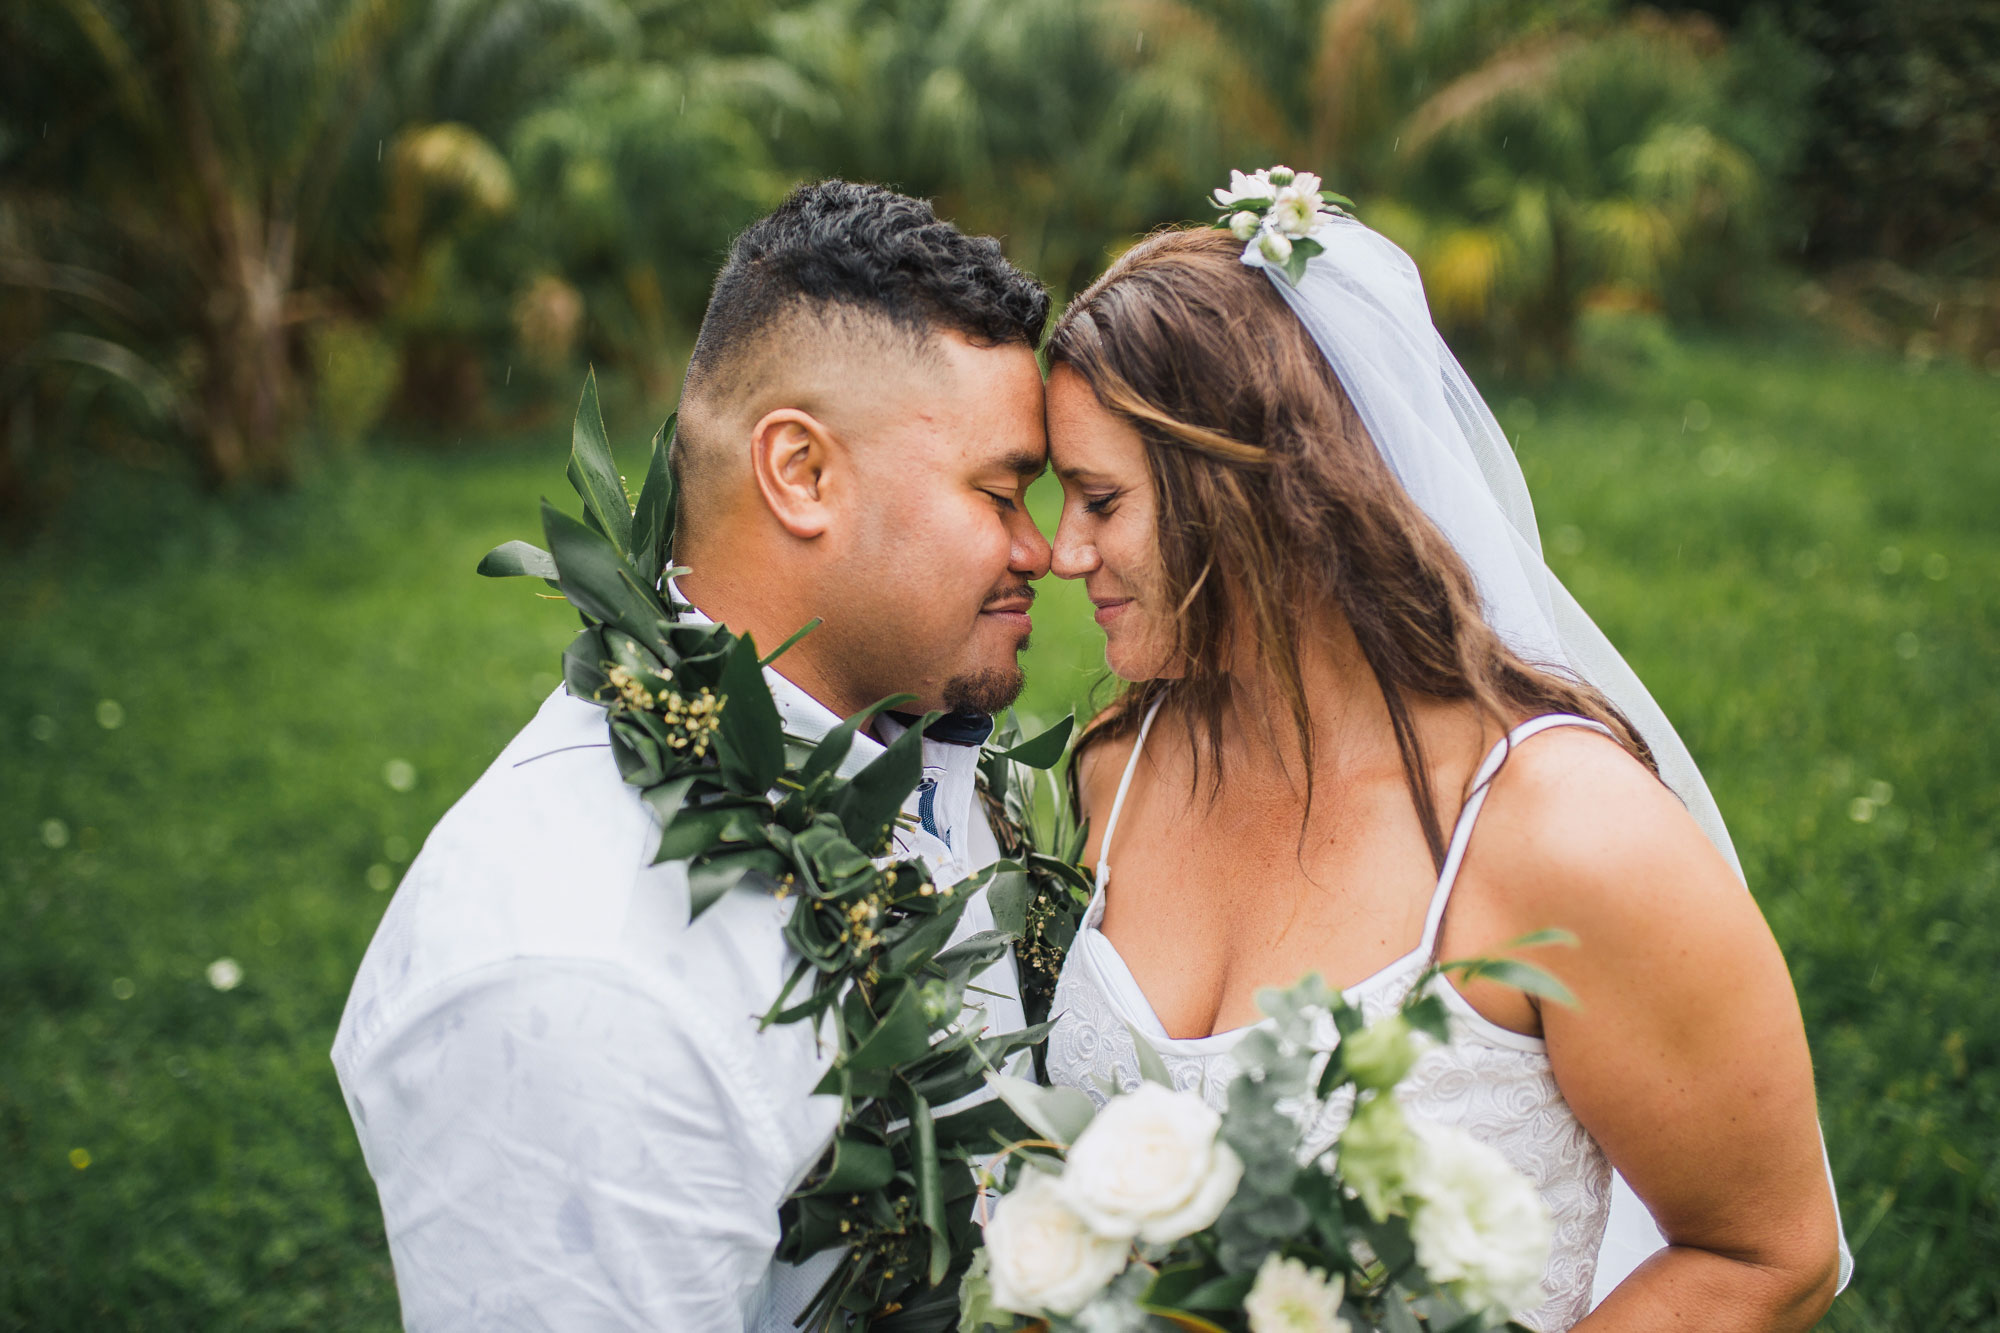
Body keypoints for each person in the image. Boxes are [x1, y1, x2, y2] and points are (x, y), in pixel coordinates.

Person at [1038, 207, 1852, 1329]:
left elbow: (1768, 1253)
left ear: (1257, 492)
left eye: (1100, 500)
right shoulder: (1116, 769)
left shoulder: (1568, 836)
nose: (1059, 551)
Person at [331, 181, 1054, 1330]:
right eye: (1002, 489)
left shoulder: (900, 734)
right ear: (802, 474)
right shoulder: (579, 976)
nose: (1045, 547)